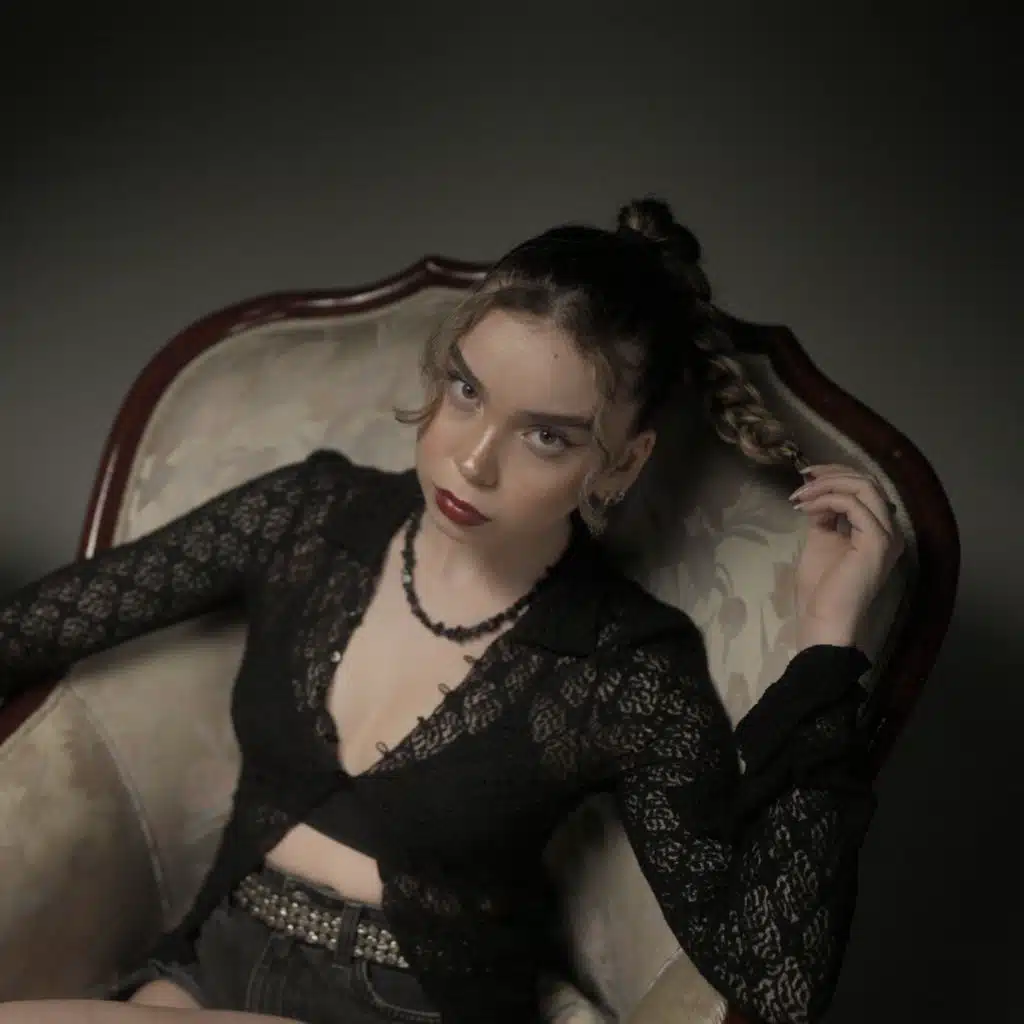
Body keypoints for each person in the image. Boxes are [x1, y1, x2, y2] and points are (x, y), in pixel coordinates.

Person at [0, 198, 902, 1024]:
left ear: (621, 464)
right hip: (215, 965)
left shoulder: (624, 669)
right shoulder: (311, 519)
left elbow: (773, 978)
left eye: (545, 436)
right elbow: (36, 629)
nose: (473, 460)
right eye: (468, 392)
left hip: (411, 1002)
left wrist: (828, 647)